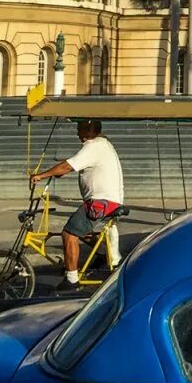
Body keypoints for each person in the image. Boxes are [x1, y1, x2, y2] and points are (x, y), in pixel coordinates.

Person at [30, 118, 125, 293]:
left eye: (78, 129)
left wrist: (42, 176)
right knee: (81, 228)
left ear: (83, 132)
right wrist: (58, 173)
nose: (77, 132)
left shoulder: (93, 146)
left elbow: (67, 165)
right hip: (108, 200)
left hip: (101, 202)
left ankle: (72, 280)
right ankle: (103, 254)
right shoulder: (103, 144)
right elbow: (75, 166)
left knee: (69, 233)